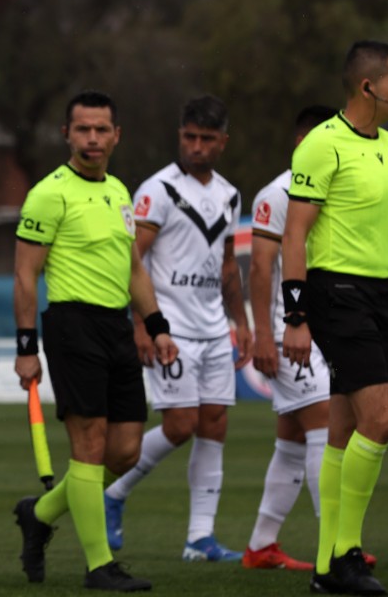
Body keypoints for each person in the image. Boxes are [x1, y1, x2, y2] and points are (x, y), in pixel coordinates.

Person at [281, 40, 388, 596]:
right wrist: (295, 315)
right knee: (383, 420)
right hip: (333, 293)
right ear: (368, 87)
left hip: (377, 295)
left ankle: (327, 570)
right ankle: (348, 555)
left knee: (347, 429)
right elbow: (294, 236)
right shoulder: (322, 146)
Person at [12, 90, 177, 592]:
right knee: (88, 447)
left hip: (116, 328)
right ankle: (99, 564)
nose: (92, 139)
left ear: (116, 135)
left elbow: (133, 269)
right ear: (67, 135)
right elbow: (24, 275)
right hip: (71, 326)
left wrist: (157, 324)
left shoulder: (121, 192)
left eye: (101, 130)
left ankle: (38, 513)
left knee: (125, 450)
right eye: (82, 129)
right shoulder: (48, 193)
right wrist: (26, 348)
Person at [103, 95, 251, 562]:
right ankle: (114, 491)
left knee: (214, 424)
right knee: (180, 424)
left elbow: (228, 266)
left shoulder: (229, 194)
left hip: (213, 330)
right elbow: (132, 260)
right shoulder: (157, 191)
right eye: (190, 137)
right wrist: (142, 325)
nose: (197, 147)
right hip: (171, 330)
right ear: (180, 136)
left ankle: (199, 539)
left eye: (207, 139)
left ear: (223, 142)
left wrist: (241, 322)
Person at [242, 105, 338, 571]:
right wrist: (264, 333)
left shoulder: (332, 189)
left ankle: (262, 546)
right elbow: (260, 267)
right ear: (303, 144)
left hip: (327, 329)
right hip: (289, 332)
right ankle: (337, 548)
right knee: (324, 424)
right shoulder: (277, 193)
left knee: (293, 439)